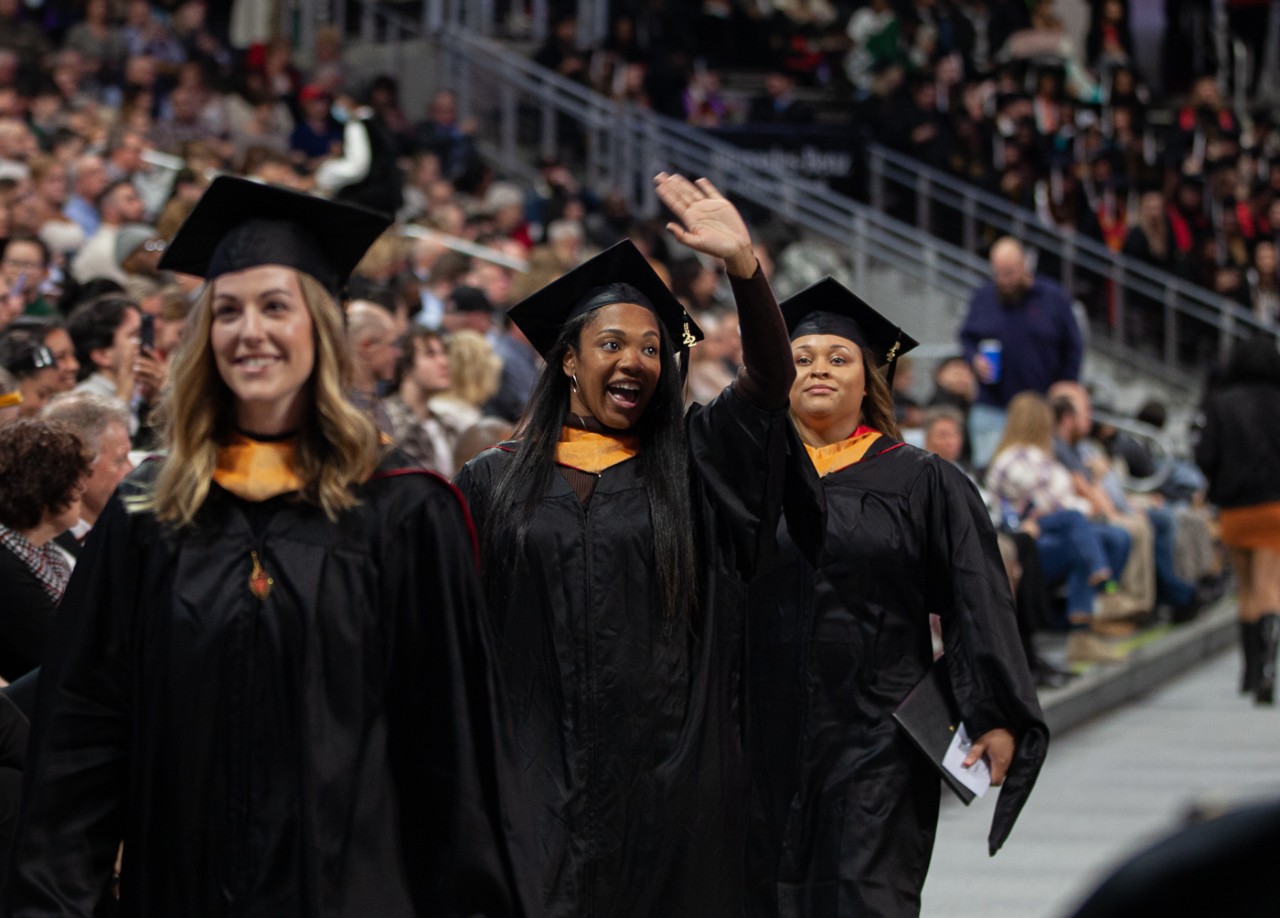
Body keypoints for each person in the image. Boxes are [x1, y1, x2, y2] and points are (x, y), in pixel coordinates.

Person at [6, 176, 530, 915]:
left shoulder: (403, 513)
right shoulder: (149, 518)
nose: (249, 330)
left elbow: (453, 762)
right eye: (226, 310)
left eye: (275, 306)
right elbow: (85, 742)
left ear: (319, 326)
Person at [454, 172, 794, 917]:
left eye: (651, 347)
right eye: (612, 343)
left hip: (666, 789)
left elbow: (770, 384)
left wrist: (744, 267)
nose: (636, 360)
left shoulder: (692, 465)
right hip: (530, 786)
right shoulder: (490, 483)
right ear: (568, 360)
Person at [745, 277, 1049, 917]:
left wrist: (992, 711)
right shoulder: (741, 476)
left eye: (838, 357)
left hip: (876, 735)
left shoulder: (922, 479)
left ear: (867, 380)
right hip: (758, 735)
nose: (819, 369)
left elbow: (976, 600)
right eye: (800, 357)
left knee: (868, 899)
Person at [985, 392, 1132, 665]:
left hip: (1053, 529)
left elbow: (1065, 500)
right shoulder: (1013, 458)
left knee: (1107, 538)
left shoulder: (1042, 457)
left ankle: (1085, 624)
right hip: (1025, 537)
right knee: (1079, 530)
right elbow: (1052, 501)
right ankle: (1097, 599)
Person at [1196, 337, 1280, 705]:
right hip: (1275, 505)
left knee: (1245, 588)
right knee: (1270, 585)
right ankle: (1268, 667)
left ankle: (1248, 670)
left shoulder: (1219, 403)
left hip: (1234, 509)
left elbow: (1205, 456)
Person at [958, 236, 1084, 468]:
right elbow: (967, 337)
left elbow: (1074, 345)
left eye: (1010, 273)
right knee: (990, 471)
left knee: (1037, 475)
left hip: (1040, 409)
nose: (1004, 281)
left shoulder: (1053, 298)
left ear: (1024, 266)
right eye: (998, 273)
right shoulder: (984, 296)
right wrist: (974, 358)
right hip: (992, 406)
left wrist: (1067, 385)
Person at [0, 419, 90, 683]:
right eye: (73, 480)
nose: (82, 488)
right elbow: (61, 652)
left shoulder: (49, 545)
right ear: (45, 487)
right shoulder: (5, 566)